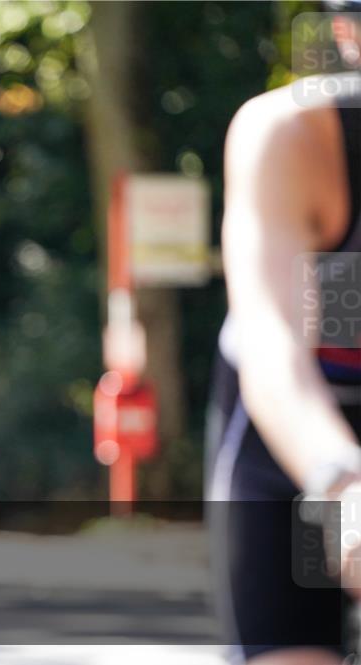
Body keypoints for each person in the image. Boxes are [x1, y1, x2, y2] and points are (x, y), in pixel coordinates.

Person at [207, 3, 361, 664]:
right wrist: (342, 483)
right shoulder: (292, 134)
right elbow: (273, 353)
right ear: (348, 36)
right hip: (293, 438)